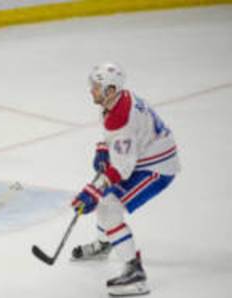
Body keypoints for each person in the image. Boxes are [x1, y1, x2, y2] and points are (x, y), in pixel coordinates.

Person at [70, 62, 180, 296]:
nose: (92, 90)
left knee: (108, 207)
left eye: (97, 86)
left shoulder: (121, 117)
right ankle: (105, 243)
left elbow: (122, 169)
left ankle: (135, 273)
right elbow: (112, 136)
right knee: (105, 200)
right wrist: (103, 149)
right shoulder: (115, 100)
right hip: (143, 153)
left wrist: (93, 191)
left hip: (157, 167)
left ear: (110, 90)